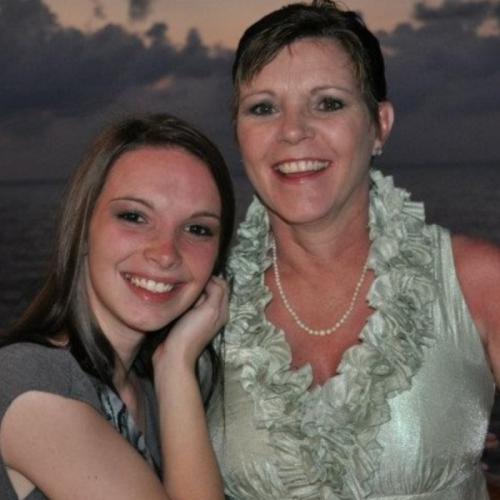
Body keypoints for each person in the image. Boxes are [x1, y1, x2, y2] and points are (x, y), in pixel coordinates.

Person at [208, 1, 500, 498]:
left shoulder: (476, 281)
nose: (293, 130)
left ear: (380, 125)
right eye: (263, 108)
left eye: (328, 103)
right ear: (238, 134)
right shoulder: (203, 304)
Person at [0, 113, 235, 500]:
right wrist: (176, 368)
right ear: (83, 229)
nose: (166, 253)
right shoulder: (30, 382)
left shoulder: (150, 396)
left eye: (198, 229)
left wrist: (172, 365)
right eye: (134, 217)